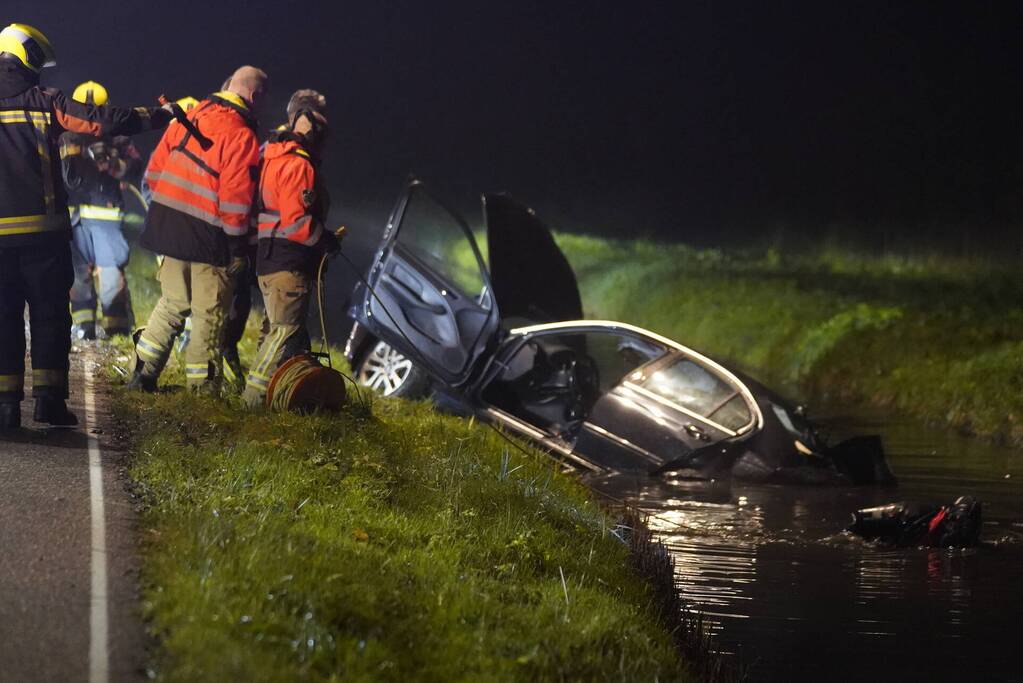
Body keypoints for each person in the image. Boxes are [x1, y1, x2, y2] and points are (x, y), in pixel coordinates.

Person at [0, 22, 171, 430]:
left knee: (3, 319)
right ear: (28, 57)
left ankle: (5, 409)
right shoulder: (45, 102)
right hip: (43, 234)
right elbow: (101, 121)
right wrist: (156, 115)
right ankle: (49, 404)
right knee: (49, 318)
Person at [129, 67, 267, 394]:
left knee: (173, 302)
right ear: (254, 96)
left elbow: (153, 174)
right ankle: (201, 394)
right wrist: (237, 249)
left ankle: (142, 373)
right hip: (210, 239)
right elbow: (235, 202)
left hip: (170, 230)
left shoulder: (190, 117)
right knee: (209, 313)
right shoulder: (240, 134)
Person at [242, 90, 338, 407]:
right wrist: (325, 240)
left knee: (273, 330)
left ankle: (273, 397)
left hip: (269, 260)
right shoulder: (299, 166)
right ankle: (253, 401)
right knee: (284, 331)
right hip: (288, 263)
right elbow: (297, 223)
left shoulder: (273, 156)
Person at [62, 80, 144, 339]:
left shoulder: (117, 139)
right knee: (77, 276)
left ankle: (117, 331)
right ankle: (84, 327)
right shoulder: (64, 136)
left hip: (103, 216)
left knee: (109, 275)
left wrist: (109, 159)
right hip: (74, 217)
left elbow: (133, 169)